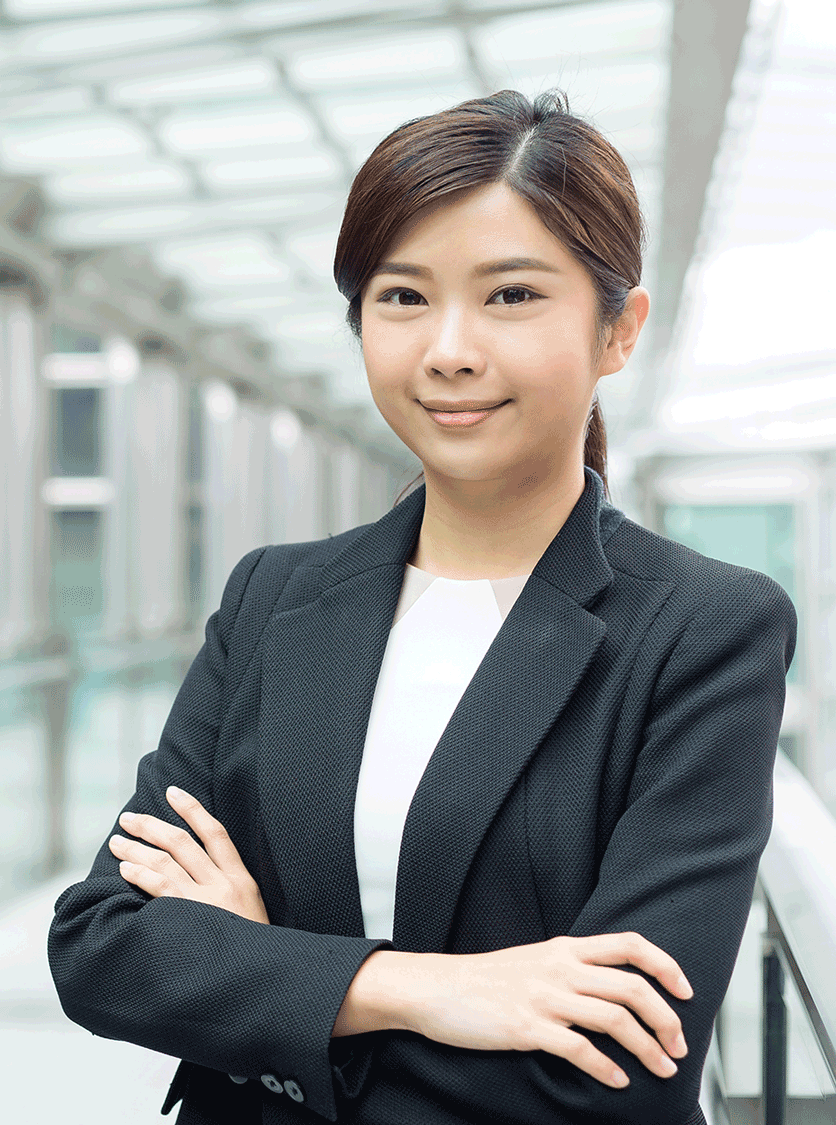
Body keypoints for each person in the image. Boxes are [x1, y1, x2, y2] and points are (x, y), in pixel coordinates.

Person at [47, 88, 797, 1125]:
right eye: (403, 298)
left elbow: (617, 1069)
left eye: (512, 297)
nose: (449, 348)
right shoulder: (275, 596)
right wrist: (432, 989)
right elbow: (101, 949)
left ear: (619, 329)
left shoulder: (701, 630)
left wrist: (264, 975)